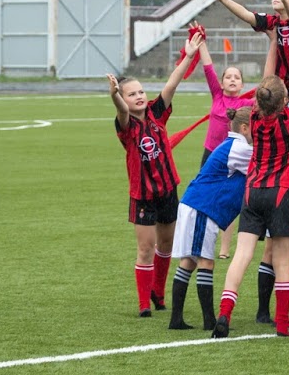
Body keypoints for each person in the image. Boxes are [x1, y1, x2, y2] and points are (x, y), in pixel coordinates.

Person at [211, 25, 289, 338]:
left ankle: (224, 314)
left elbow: (267, 82)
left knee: (241, 256)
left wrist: (271, 44)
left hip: (253, 190)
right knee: (282, 258)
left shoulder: (251, 114)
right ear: (283, 100)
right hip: (281, 192)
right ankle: (282, 324)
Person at [107, 33, 198, 317]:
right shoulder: (126, 126)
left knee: (167, 244)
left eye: (140, 92)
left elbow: (172, 84)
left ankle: (159, 293)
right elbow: (122, 112)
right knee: (145, 248)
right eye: (132, 94)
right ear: (124, 99)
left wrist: (188, 56)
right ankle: (144, 303)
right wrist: (114, 96)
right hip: (143, 196)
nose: (139, 96)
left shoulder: (157, 114)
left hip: (168, 191)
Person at [167, 107, 253, 330]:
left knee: (189, 260)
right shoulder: (239, 147)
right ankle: (209, 321)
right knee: (205, 261)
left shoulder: (232, 145)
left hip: (196, 204)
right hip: (203, 208)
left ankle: (176, 319)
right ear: (244, 128)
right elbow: (263, 165)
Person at [195, 35, 254, 259]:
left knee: (229, 201)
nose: (231, 80)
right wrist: (201, 43)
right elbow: (208, 67)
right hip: (211, 154)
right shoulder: (217, 95)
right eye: (228, 77)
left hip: (235, 156)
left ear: (242, 84)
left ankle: (225, 248)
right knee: (205, 196)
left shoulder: (247, 104)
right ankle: (202, 238)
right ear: (221, 83)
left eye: (236, 77)